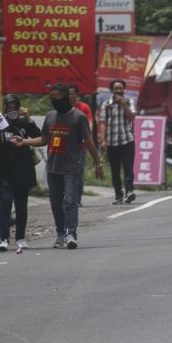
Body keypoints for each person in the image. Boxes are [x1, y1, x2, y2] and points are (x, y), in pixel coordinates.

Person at [14, 83, 103, 249]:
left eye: (57, 98)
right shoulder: (50, 116)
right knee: (55, 204)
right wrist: (24, 141)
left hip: (71, 167)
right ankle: (60, 234)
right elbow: (43, 139)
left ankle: (71, 235)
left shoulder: (78, 117)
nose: (54, 101)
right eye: (52, 98)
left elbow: (89, 142)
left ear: (66, 97)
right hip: (53, 168)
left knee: (70, 201)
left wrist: (98, 163)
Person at [0, 95, 40, 252]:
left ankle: (20, 238)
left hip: (23, 171)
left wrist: (28, 117)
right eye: (9, 107)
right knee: (5, 204)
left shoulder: (23, 123)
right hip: (4, 172)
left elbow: (37, 135)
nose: (11, 110)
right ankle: (4, 239)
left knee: (21, 206)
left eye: (14, 107)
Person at [97, 79, 137, 205]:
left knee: (128, 167)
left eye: (121, 88)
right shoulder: (106, 104)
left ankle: (129, 192)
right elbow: (103, 122)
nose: (119, 91)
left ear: (124, 89)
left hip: (127, 139)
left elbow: (132, 117)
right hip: (112, 141)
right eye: (116, 89)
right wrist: (103, 140)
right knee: (115, 170)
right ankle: (118, 195)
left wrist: (123, 104)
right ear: (112, 90)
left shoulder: (129, 101)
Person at [67, 84, 94, 206]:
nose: (70, 96)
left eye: (72, 93)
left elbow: (89, 124)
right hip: (65, 146)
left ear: (76, 95)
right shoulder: (63, 108)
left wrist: (86, 138)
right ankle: (68, 197)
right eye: (68, 94)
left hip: (80, 146)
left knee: (79, 172)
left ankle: (77, 199)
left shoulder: (84, 108)